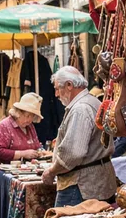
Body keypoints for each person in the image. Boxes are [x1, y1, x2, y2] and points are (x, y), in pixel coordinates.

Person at [42, 67, 115, 208]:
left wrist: (51, 172)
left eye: (58, 88)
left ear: (69, 85)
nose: (56, 94)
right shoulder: (93, 102)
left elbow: (73, 154)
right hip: (96, 182)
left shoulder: (80, 109)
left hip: (81, 185)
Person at [0, 92, 44, 177]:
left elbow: (36, 146)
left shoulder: (30, 126)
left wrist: (38, 153)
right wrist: (23, 154)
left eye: (32, 116)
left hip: (25, 172)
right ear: (18, 112)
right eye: (27, 115)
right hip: (3, 175)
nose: (29, 120)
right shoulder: (4, 126)